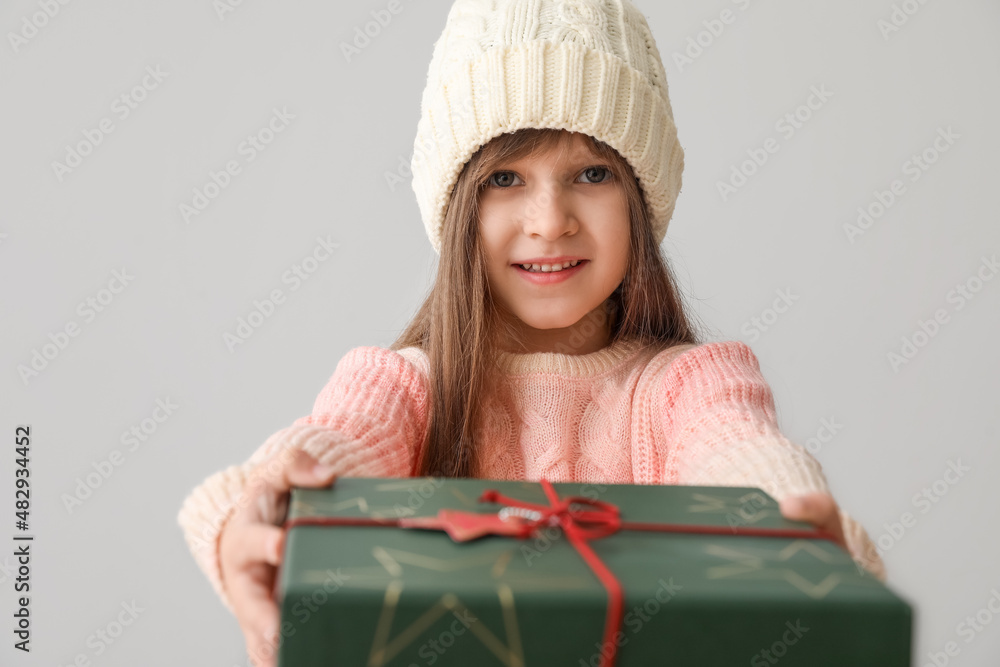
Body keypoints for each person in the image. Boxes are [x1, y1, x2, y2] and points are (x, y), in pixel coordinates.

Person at [177, 1, 886, 665]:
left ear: (641, 199)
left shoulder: (684, 387)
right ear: (459, 208)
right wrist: (268, 505)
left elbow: (738, 449)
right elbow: (343, 441)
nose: (550, 220)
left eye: (591, 171)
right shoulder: (410, 386)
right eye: (506, 178)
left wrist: (787, 521)